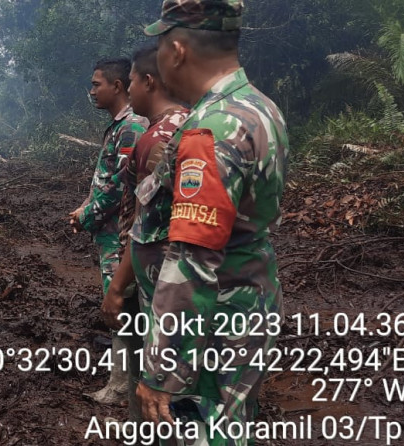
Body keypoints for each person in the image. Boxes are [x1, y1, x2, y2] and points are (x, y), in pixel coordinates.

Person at [136, 0, 288, 443]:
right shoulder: (258, 107)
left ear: (177, 50)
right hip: (248, 302)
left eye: (160, 44)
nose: (160, 58)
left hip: (213, 321)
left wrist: (161, 370)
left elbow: (192, 259)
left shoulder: (213, 128)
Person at [99, 45, 190, 422]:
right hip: (198, 279)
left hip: (158, 277)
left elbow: (145, 225)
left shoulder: (154, 140)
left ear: (147, 81)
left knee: (154, 374)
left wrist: (118, 286)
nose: (130, 90)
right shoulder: (197, 122)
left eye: (133, 81)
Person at [69, 58, 149, 404]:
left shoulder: (131, 127)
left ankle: (124, 387)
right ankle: (123, 382)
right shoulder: (119, 126)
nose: (91, 91)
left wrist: (85, 216)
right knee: (123, 305)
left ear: (118, 86)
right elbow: (104, 180)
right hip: (112, 234)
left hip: (122, 236)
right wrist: (85, 207)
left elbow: (119, 187)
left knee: (122, 304)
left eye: (96, 84)